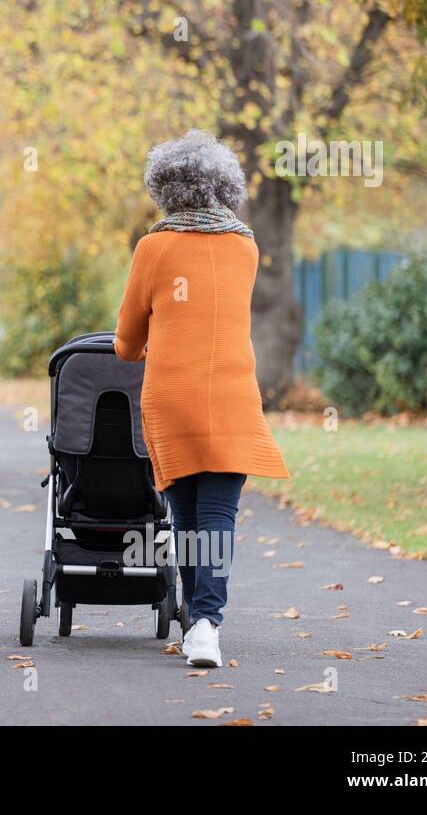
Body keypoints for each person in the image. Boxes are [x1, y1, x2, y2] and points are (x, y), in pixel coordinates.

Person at [113, 130, 289, 669]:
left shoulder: (154, 247)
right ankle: (205, 623)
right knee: (218, 514)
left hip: (172, 400)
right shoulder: (246, 246)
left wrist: (152, 339)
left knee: (186, 519)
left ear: (163, 187)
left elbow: (125, 344)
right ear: (225, 185)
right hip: (234, 396)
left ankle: (200, 622)